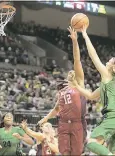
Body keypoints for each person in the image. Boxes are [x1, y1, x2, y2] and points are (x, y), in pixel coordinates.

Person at [71, 25, 115, 155]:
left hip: (112, 117)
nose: (107, 61)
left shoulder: (108, 75)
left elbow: (94, 56)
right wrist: (76, 86)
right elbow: (90, 95)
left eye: (110, 61)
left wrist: (84, 35)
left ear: (113, 66)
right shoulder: (110, 84)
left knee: (91, 142)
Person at [38, 26, 87, 156]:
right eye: (69, 72)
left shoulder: (79, 84)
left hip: (78, 122)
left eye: (74, 72)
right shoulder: (62, 90)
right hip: (64, 123)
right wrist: (45, 118)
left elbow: (77, 60)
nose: (71, 72)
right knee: (63, 153)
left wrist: (75, 41)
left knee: (76, 153)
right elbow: (56, 109)